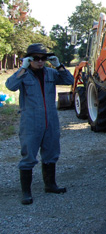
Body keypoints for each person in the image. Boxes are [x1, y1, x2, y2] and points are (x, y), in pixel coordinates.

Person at [5, 43, 74, 205]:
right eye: (36, 58)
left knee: (51, 152)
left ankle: (50, 185)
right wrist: (22, 68)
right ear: (29, 59)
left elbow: (69, 80)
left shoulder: (51, 72)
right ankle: (26, 193)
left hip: (50, 120)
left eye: (44, 58)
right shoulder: (24, 74)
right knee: (28, 155)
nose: (40, 61)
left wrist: (59, 66)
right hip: (30, 121)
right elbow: (10, 86)